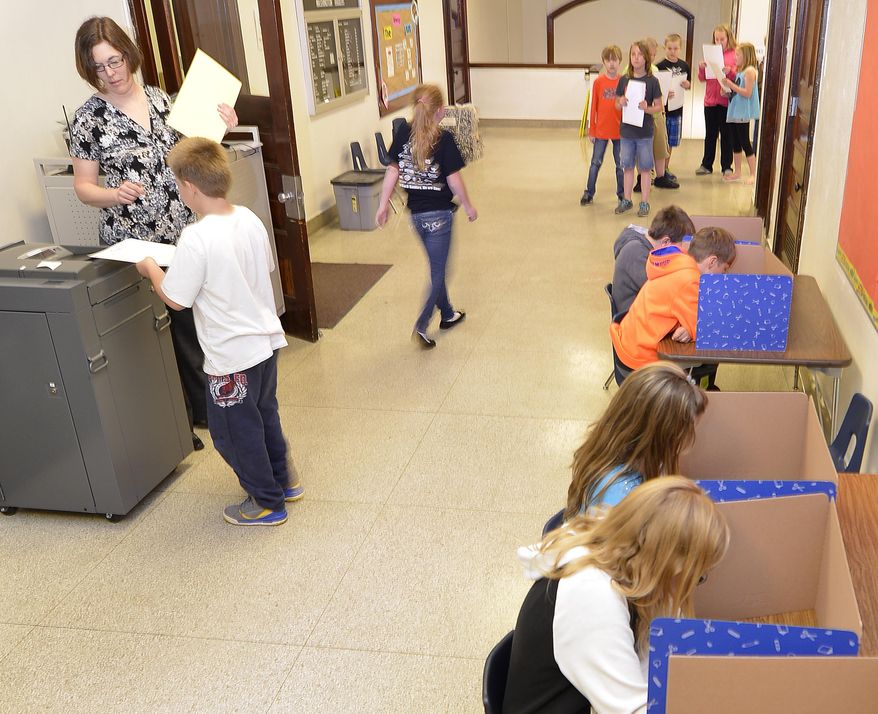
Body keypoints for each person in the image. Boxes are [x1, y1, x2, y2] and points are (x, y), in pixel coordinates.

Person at [70, 16, 237, 448]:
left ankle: (204, 415)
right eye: (100, 67)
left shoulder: (163, 101)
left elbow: (197, 154)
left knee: (187, 329)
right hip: (132, 245)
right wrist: (113, 193)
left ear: (129, 54)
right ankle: (174, 425)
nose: (111, 73)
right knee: (152, 336)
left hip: (180, 236)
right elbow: (83, 188)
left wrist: (224, 126)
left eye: (116, 60)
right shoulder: (88, 119)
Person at [135, 138, 303, 527]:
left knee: (232, 433)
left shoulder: (196, 237)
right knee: (264, 415)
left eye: (178, 186)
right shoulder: (248, 218)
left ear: (190, 188)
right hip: (265, 343)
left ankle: (266, 502)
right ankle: (284, 480)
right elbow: (264, 271)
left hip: (231, 360)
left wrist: (150, 268)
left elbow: (176, 300)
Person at [503, 477, 730, 714]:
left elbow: (654, 659)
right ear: (663, 564)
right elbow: (631, 709)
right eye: (697, 577)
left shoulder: (620, 555)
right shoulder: (591, 598)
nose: (690, 588)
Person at [374, 84, 477, 348]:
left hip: (417, 218)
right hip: (440, 217)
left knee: (436, 268)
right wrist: (468, 205)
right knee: (440, 272)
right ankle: (421, 325)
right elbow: (454, 181)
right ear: (440, 111)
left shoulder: (402, 133)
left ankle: (448, 313)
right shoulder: (444, 139)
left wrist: (383, 204)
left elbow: (392, 171)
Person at [565, 362, 706, 519]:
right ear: (659, 437)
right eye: (687, 431)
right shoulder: (621, 498)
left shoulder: (617, 447)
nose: (690, 438)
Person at [610, 227, 737, 371]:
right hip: (640, 358)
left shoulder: (678, 261)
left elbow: (674, 307)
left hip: (630, 342)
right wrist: (692, 329)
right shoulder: (690, 281)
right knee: (707, 366)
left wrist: (687, 327)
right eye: (724, 270)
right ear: (712, 262)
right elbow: (704, 330)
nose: (723, 276)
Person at [612, 205, 695, 314]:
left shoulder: (646, 244)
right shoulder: (636, 253)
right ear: (666, 242)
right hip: (635, 320)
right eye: (679, 251)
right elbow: (663, 295)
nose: (681, 256)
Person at [615, 41, 663, 218]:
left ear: (646, 58)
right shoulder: (624, 79)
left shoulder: (652, 81)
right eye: (633, 54)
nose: (636, 58)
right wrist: (620, 103)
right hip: (627, 132)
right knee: (627, 166)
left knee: (644, 168)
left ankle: (644, 202)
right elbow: (617, 104)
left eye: (639, 54)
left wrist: (647, 107)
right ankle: (626, 200)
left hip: (644, 133)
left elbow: (659, 106)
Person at [581, 45, 624, 206]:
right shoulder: (599, 82)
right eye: (608, 60)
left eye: (615, 60)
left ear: (620, 61)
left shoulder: (623, 81)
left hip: (620, 131)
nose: (611, 64)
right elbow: (594, 107)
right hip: (601, 131)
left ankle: (621, 195)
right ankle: (589, 192)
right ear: (604, 62)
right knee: (595, 162)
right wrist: (592, 129)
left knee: (620, 165)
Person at [695, 24, 738, 177]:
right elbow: (702, 78)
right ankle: (706, 165)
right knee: (710, 134)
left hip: (726, 101)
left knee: (727, 135)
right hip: (710, 101)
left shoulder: (734, 55)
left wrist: (730, 71)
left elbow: (738, 77)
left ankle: (727, 166)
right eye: (716, 39)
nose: (719, 41)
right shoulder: (710, 54)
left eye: (722, 39)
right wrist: (701, 68)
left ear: (728, 39)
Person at [721, 42, 761, 184]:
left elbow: (747, 93)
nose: (735, 57)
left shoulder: (750, 71)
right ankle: (737, 171)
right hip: (734, 111)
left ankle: (753, 173)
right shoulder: (740, 71)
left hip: (742, 112)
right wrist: (727, 91)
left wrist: (731, 85)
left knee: (745, 142)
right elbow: (737, 91)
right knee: (735, 143)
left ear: (746, 55)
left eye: (738, 54)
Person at [656, 33, 692, 179]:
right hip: (663, 112)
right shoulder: (659, 66)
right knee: (661, 141)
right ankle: (658, 169)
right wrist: (664, 94)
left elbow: (688, 84)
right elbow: (656, 89)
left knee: (671, 142)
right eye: (669, 48)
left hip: (677, 109)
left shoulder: (684, 65)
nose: (672, 51)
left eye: (675, 48)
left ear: (680, 48)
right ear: (665, 48)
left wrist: (688, 85)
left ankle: (665, 168)